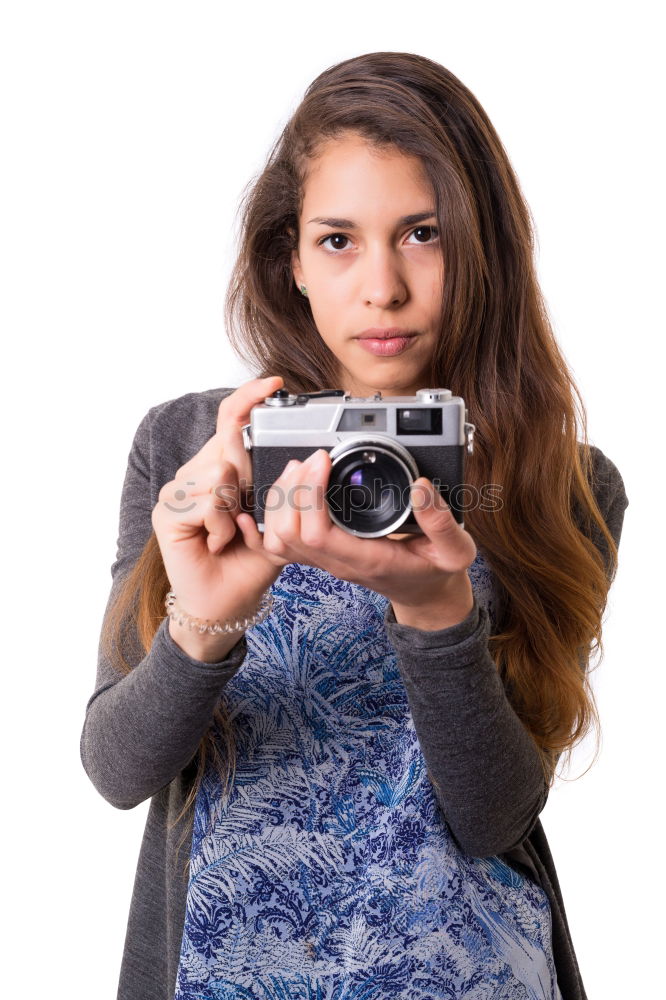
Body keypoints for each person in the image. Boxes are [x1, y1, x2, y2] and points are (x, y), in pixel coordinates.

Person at [80, 51, 629, 1000]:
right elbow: (119, 770)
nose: (382, 287)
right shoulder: (193, 446)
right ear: (288, 257)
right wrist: (202, 626)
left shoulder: (561, 483)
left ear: (481, 248)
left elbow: (497, 817)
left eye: (423, 234)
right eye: (339, 240)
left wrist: (437, 614)